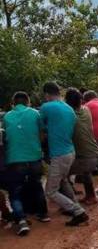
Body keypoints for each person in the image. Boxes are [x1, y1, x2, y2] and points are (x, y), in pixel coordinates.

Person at [40, 82, 88, 226]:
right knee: (62, 181)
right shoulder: (69, 109)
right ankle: (72, 207)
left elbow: (40, 129)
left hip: (59, 154)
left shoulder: (46, 107)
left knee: (50, 191)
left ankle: (78, 211)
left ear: (47, 94)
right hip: (70, 152)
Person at [3, 92, 49, 236]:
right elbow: (43, 133)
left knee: (15, 191)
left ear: (13, 103)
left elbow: (5, 138)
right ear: (28, 102)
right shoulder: (35, 114)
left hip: (15, 159)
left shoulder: (7, 116)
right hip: (34, 156)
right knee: (37, 185)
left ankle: (22, 221)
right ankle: (43, 214)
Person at [65, 88, 98, 205]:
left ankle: (70, 204)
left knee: (61, 173)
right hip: (96, 153)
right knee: (85, 170)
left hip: (86, 159)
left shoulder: (68, 115)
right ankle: (91, 196)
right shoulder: (86, 110)